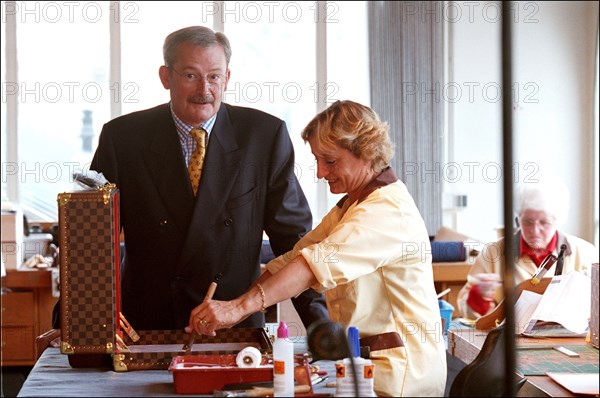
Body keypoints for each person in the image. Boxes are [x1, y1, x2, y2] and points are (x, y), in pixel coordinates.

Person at [188, 100, 448, 397]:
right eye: (317, 161)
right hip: (367, 369)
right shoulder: (353, 204)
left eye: (330, 161)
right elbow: (291, 260)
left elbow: (310, 267)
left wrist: (237, 309)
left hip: (401, 380)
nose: (320, 173)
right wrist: (233, 309)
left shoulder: (386, 211)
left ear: (367, 152)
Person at [85, 26, 329, 331]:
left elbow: (292, 239)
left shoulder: (263, 136)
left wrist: (320, 324)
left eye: (214, 76)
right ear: (165, 77)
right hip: (146, 327)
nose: (204, 89)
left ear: (226, 79)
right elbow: (93, 241)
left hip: (234, 326)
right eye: (190, 75)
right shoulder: (123, 138)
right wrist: (71, 320)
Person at [457, 179, 599, 319]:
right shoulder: (493, 253)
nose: (535, 230)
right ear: (518, 219)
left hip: (570, 339)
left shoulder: (586, 253)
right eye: (527, 222)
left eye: (544, 222)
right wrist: (479, 295)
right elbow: (469, 314)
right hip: (510, 340)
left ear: (558, 221)